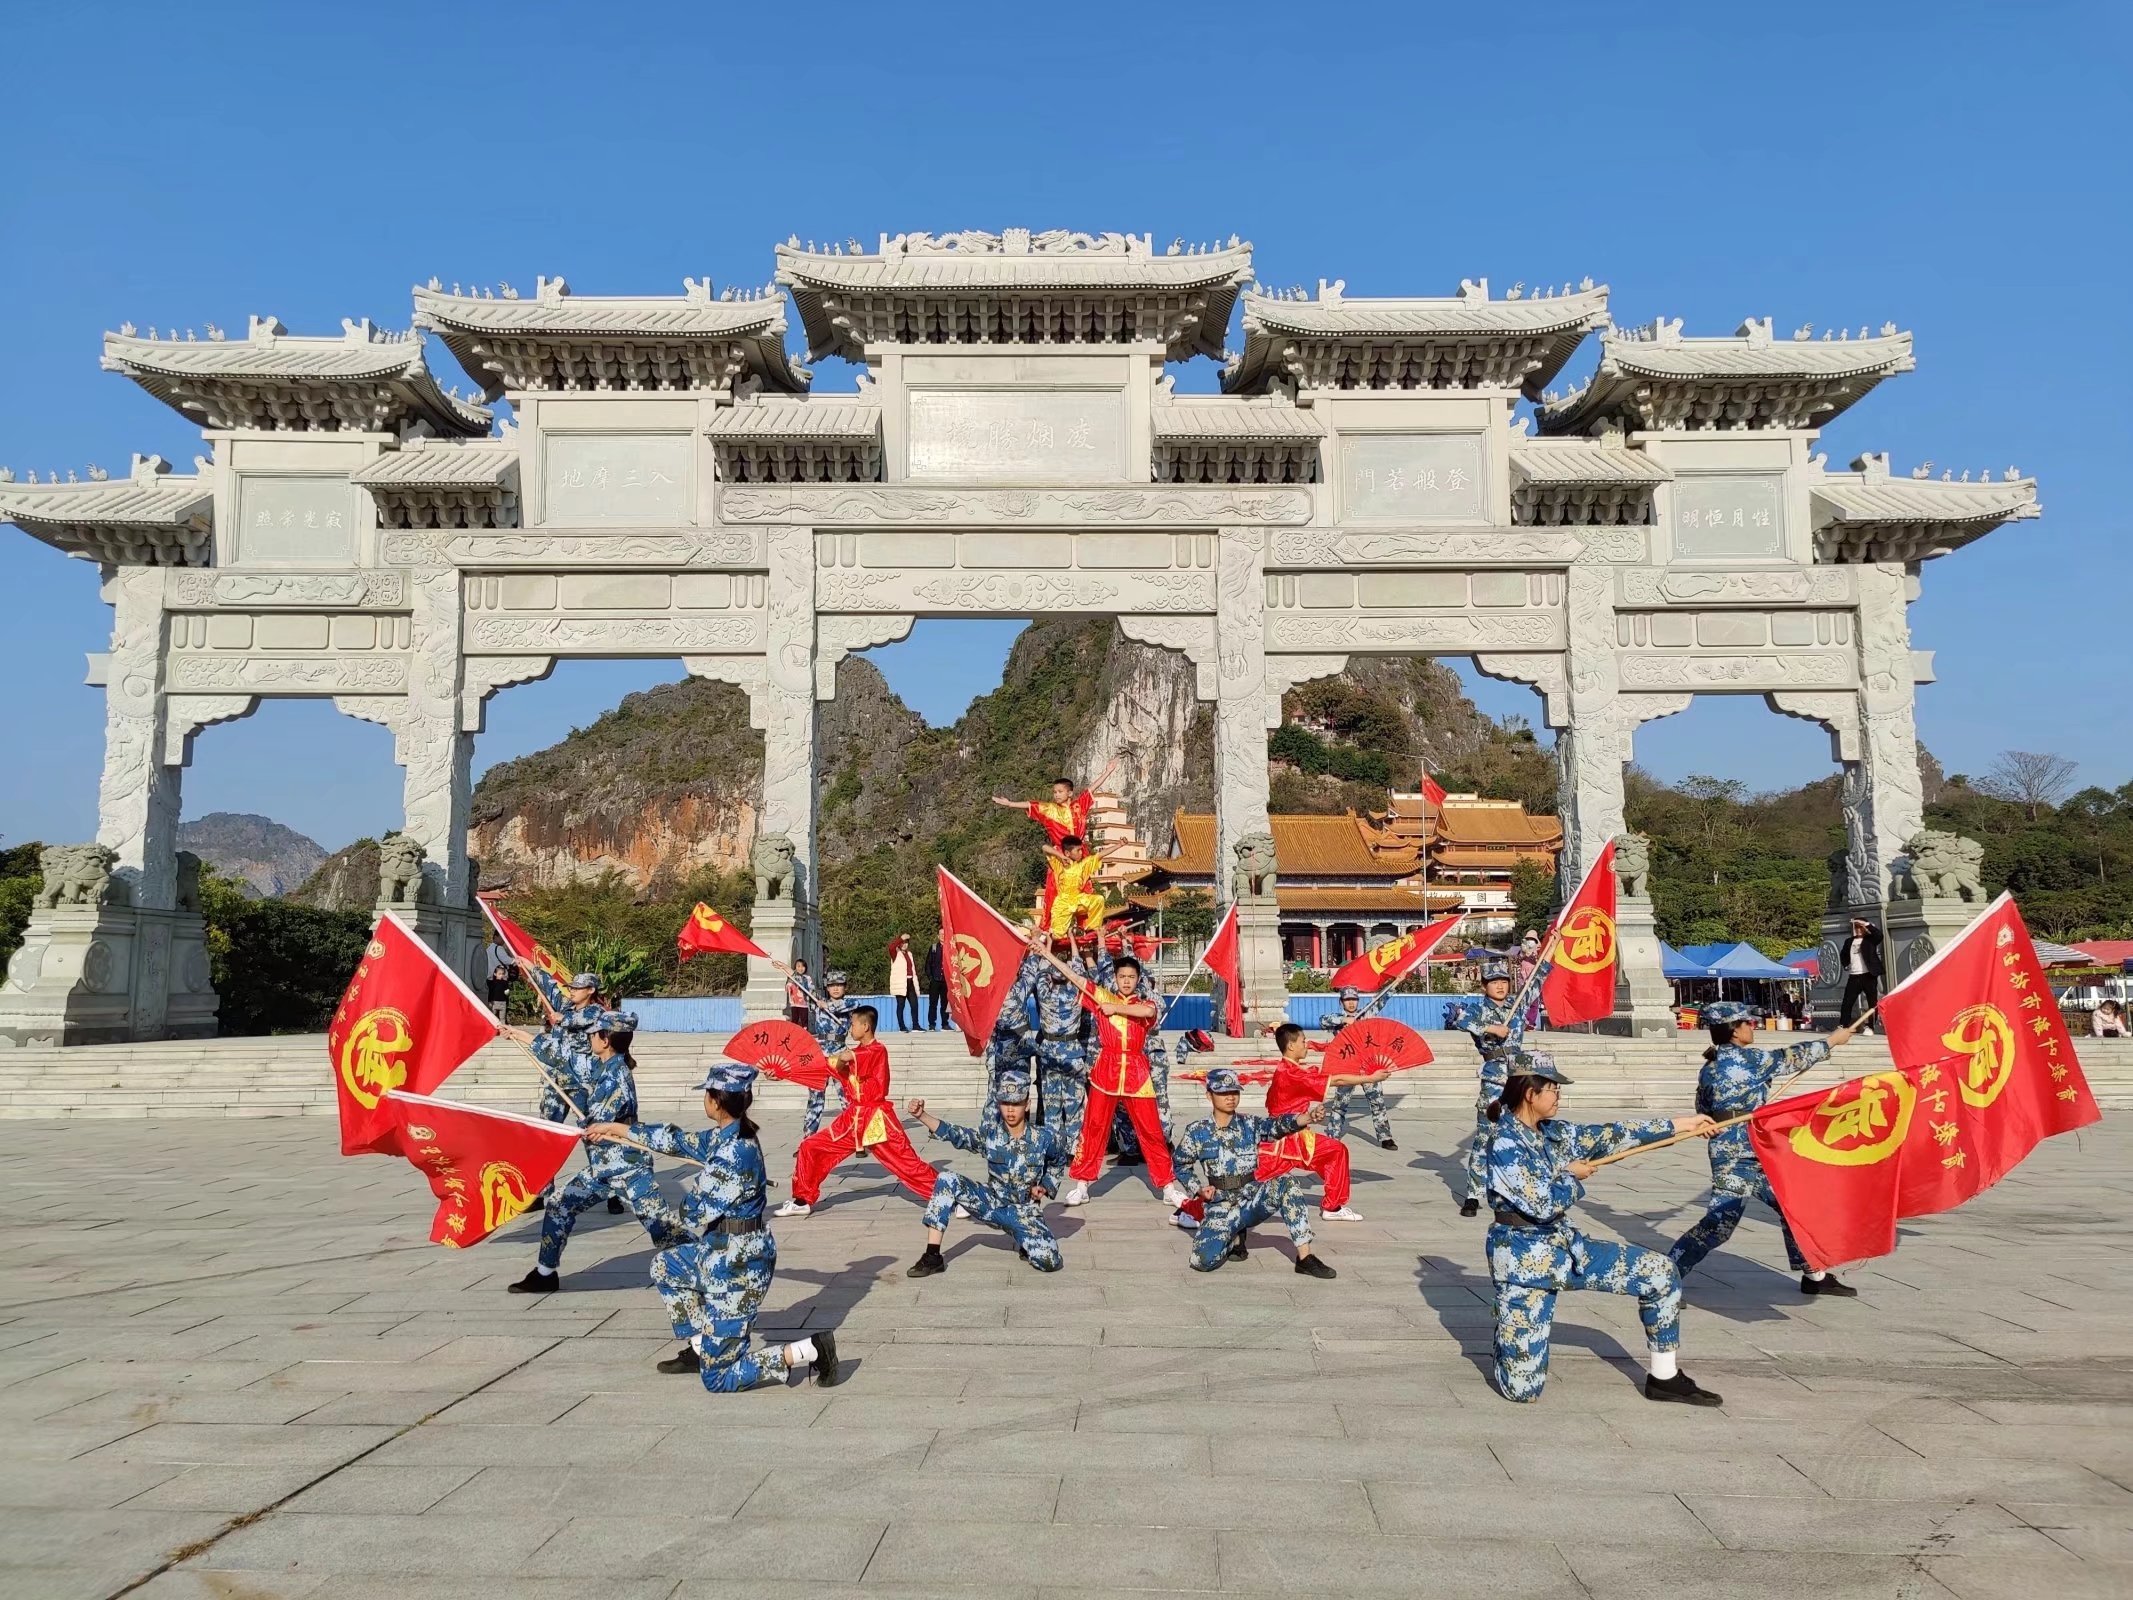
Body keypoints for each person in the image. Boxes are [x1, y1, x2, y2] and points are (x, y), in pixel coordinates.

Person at [1484, 1050, 1722, 1405]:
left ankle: (1665, 1377)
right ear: (1529, 1093)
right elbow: (1541, 1204)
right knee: (1523, 1391)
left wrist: (1682, 1125)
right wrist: (1570, 1176)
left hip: (1567, 1249)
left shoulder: (1554, 1133)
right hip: (1523, 1261)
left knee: (1660, 1272)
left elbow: (1612, 1135)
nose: (1558, 1095)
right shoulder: (1505, 1143)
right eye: (1552, 1088)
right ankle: (1510, 1328)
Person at [586, 1063, 841, 1392]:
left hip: (738, 1267)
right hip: (721, 1249)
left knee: (720, 1378)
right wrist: (616, 1130)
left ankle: (809, 1350)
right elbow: (677, 1140)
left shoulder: (732, 1152)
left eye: (706, 1094)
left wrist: (699, 1182)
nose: (704, 1099)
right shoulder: (728, 1135)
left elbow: (693, 1212)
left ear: (716, 1102)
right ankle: (700, 1347)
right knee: (667, 1266)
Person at [1669, 1001, 1862, 1295]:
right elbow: (1793, 1057)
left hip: (1754, 1148)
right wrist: (1834, 1040)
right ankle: (1664, 1278)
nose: (1752, 1026)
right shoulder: (1750, 1060)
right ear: (1734, 1031)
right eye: (1747, 1022)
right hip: (1737, 1154)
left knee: (1792, 1205)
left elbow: (1703, 1107)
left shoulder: (1710, 1066)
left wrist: (1708, 1125)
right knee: (1719, 1222)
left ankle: (1814, 1275)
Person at [507, 1011, 682, 1294]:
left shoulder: (617, 1076)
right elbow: (562, 1057)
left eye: (594, 1033)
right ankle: (545, 1272)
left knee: (662, 1228)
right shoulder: (601, 1065)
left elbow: (603, 1122)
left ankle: (707, 1266)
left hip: (627, 1168)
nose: (589, 1037)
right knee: (559, 1204)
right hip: (601, 1169)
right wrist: (519, 1035)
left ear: (606, 1039)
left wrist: (587, 1126)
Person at [1173, 1022, 1384, 1227]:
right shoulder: (1290, 1073)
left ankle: (1333, 1206)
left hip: (1296, 1134)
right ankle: (1190, 1211)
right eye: (1303, 1041)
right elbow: (1336, 1081)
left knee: (1335, 1151)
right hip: (1282, 1139)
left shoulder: (1290, 1069)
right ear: (1291, 1045)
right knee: (1246, 1183)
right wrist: (1369, 1077)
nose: (1307, 1045)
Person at [1172, 1066, 1337, 1278]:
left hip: (1251, 1197)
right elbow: (1180, 1164)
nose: (1230, 1097)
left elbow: (1277, 1126)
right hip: (1220, 1204)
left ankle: (1305, 1258)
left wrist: (1307, 1118)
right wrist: (1198, 1189)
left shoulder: (1250, 1124)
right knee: (1201, 1262)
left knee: (1287, 1184)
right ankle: (1234, 1237)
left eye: (1234, 1092)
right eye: (1223, 1093)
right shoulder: (1197, 1131)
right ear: (1209, 1095)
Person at [776, 1004, 938, 1218]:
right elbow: (823, 1065)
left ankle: (952, 1196)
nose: (850, 1029)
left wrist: (842, 1058)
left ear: (866, 1026)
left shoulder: (877, 1050)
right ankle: (802, 1199)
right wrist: (784, 1071)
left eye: (852, 1024)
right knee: (811, 1146)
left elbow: (848, 1058)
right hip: (852, 1119)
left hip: (877, 1119)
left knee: (907, 1164)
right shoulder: (855, 1053)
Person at [1060, 953, 1189, 1209]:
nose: (1127, 981)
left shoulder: (1144, 1003)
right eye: (1122, 977)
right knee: (1094, 1127)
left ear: (1138, 979)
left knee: (1152, 1131)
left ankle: (1168, 1187)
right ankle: (1082, 1185)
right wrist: (1046, 955)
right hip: (1105, 1071)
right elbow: (1074, 977)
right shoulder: (1102, 996)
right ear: (1115, 978)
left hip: (1137, 1073)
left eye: (1131, 977)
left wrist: (1115, 1008)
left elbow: (1148, 1011)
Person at [904, 1073, 1064, 1276]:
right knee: (946, 1179)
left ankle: (1025, 1239)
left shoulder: (1044, 1139)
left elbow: (1058, 1161)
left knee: (1050, 1261)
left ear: (1028, 1104)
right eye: (1005, 1103)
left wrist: (1046, 1185)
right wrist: (922, 1116)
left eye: (1016, 1103)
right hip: (992, 1203)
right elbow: (957, 1134)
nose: (1010, 1110)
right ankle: (932, 1256)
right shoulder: (990, 1135)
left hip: (1024, 1211)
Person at [1452, 957, 1541, 1218]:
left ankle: (1515, 1189)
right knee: (1485, 1137)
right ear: (1484, 986)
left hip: (1518, 1079)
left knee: (1521, 1136)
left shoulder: (1518, 1003)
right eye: (1494, 982)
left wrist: (1552, 946)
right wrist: (1490, 1027)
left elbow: (1537, 981)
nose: (1500, 986)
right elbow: (1458, 1020)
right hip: (1493, 1080)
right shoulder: (1477, 1009)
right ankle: (1473, 1194)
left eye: (1504, 981)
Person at [999, 930, 1097, 1161]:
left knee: (1052, 1105)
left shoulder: (1044, 992)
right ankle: (1074, 1151)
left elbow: (1042, 968)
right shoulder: (1076, 991)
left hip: (1051, 1052)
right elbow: (1078, 969)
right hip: (1072, 1051)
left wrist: (1049, 943)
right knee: (1073, 1106)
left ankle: (1053, 1151)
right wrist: (1072, 939)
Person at [518, 965, 606, 1214]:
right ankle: (540, 1190)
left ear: (590, 990)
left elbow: (580, 1020)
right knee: (546, 1133)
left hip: (582, 1083)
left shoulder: (596, 1011)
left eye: (577, 988)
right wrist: (530, 967)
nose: (572, 992)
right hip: (556, 1080)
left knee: (593, 1135)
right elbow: (548, 988)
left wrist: (562, 1019)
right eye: (571, 988)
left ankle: (611, 1187)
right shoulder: (565, 1006)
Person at [1320, 986, 1397, 1150]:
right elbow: (1322, 1020)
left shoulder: (1365, 1015)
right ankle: (1333, 1135)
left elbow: (1381, 1000)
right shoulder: (1337, 1019)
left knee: (1377, 1102)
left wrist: (1396, 982)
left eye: (1354, 999)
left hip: (1368, 1065)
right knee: (1340, 1104)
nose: (1351, 1003)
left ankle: (1385, 1137)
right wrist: (1343, 1020)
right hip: (1347, 1066)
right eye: (1347, 1000)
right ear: (1341, 1002)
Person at [991, 761, 1118, 849]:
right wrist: (1010, 804)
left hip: (1079, 851)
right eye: (1055, 792)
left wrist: (1107, 772)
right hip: (1060, 853)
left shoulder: (1079, 805)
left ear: (1070, 793)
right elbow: (1031, 804)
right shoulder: (1050, 809)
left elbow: (1092, 788)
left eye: (1060, 792)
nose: (1056, 795)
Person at [804, 970, 855, 1137]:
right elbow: (805, 988)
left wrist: (828, 1006)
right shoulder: (818, 1003)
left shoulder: (849, 1004)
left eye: (839, 985)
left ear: (845, 988)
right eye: (832, 985)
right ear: (827, 987)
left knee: (847, 1097)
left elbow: (851, 1005)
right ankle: (808, 1139)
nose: (835, 988)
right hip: (820, 1055)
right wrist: (790, 970)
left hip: (840, 1054)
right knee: (815, 1099)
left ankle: (856, 1138)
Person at [1041, 837, 1112, 939]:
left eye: (1081, 850)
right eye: (1078, 850)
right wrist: (1060, 855)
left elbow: (1101, 854)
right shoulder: (1059, 864)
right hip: (1063, 903)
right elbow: (1044, 847)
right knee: (1057, 936)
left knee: (1098, 899)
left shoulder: (1084, 865)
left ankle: (1091, 930)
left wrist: (1120, 845)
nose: (1081, 853)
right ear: (1067, 853)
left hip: (1079, 900)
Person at [1838, 916, 1882, 1031]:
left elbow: (1879, 935)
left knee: (1872, 1002)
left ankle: (1871, 1026)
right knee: (1847, 1002)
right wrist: (1846, 964)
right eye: (1856, 927)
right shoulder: (1849, 941)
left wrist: (1866, 924)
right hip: (1854, 975)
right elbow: (1843, 955)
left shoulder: (1870, 939)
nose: (1858, 929)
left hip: (1868, 974)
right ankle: (1844, 1024)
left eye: (1860, 927)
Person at [889, 935, 920, 1032]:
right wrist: (900, 938)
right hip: (901, 982)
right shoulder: (895, 953)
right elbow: (891, 947)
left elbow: (912, 969)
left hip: (910, 981)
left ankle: (916, 1025)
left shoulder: (909, 954)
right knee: (901, 1005)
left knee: (914, 1005)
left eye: (906, 943)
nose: (904, 945)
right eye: (902, 943)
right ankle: (902, 1026)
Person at [923, 931, 949, 1030]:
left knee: (944, 1004)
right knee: (933, 1003)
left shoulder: (950, 948)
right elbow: (928, 964)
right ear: (938, 936)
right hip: (935, 980)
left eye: (944, 934)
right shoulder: (934, 948)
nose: (943, 936)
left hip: (945, 981)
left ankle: (945, 1024)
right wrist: (931, 977)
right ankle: (932, 1024)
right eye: (941, 934)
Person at [785, 957, 814, 1032]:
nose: (801, 968)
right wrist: (789, 984)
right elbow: (787, 988)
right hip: (794, 1003)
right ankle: (793, 1033)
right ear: (795, 967)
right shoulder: (792, 978)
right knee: (795, 1019)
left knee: (804, 1019)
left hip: (804, 1003)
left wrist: (810, 990)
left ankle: (805, 1033)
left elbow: (811, 988)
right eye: (798, 966)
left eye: (803, 966)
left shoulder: (807, 978)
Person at [484, 959, 513, 1024]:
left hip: (503, 1003)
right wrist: (489, 1001)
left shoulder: (505, 982)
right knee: (493, 1018)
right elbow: (489, 989)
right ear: (495, 974)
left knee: (502, 1019)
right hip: (493, 1002)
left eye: (502, 974)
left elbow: (507, 991)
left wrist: (507, 992)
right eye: (499, 974)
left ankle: (503, 1030)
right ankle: (493, 1030)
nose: (501, 975)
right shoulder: (491, 982)